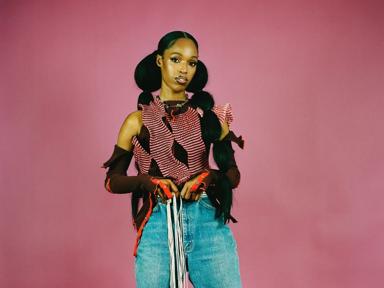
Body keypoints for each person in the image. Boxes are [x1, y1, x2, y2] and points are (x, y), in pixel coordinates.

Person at [101, 30, 244, 288]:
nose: (184, 69)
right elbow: (112, 182)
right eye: (176, 59)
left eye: (192, 62)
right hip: (158, 224)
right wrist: (149, 182)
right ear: (159, 60)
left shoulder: (210, 118)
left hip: (207, 224)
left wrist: (207, 177)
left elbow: (233, 175)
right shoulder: (137, 121)